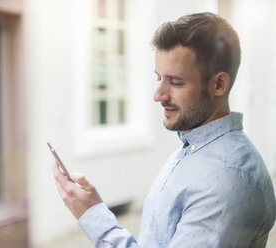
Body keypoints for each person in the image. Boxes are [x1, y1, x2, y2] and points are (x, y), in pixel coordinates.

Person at [52, 12, 276, 247]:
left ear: (218, 84)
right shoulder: (194, 148)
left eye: (176, 82)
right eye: (158, 78)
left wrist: (93, 217)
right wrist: (94, 207)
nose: (158, 95)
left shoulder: (228, 180)